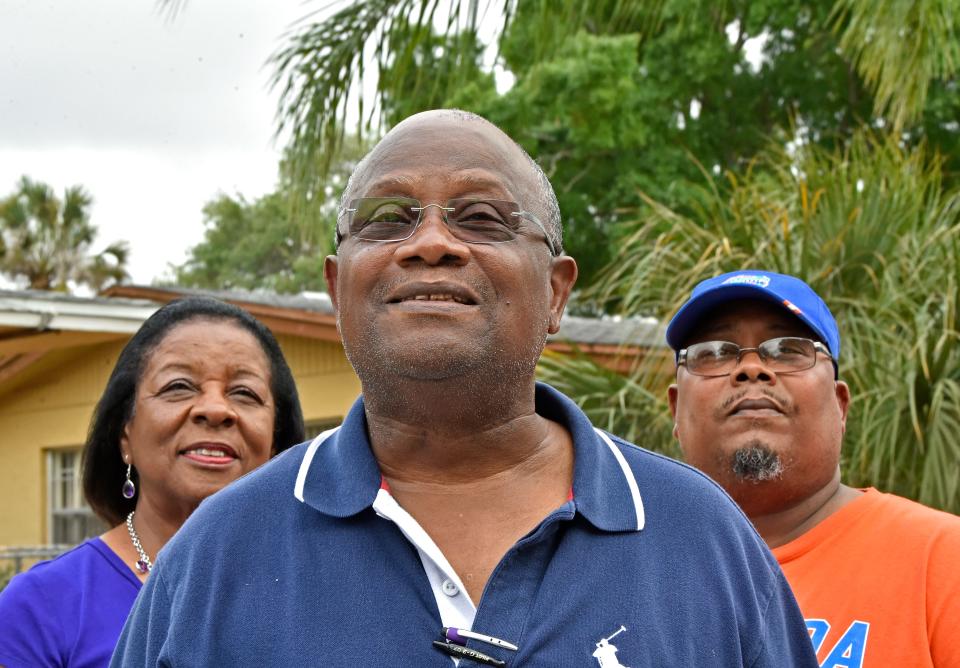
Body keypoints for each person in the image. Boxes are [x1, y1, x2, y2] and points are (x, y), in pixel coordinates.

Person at [111, 110, 818, 666]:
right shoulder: (215, 557)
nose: (430, 242)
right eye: (388, 218)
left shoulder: (702, 538)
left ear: (556, 293)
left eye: (481, 218)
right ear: (336, 287)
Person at [666, 270, 960, 667]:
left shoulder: (943, 560)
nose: (751, 368)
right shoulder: (626, 575)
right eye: (716, 352)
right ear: (675, 410)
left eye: (788, 349)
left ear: (840, 406)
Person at [0, 296, 305, 668]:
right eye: (178, 386)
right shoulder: (42, 606)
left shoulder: (322, 588)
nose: (214, 409)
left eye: (244, 392)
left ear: (275, 442)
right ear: (124, 433)